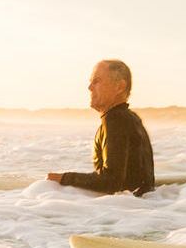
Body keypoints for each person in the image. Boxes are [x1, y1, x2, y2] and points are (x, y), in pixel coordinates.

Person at [48, 59, 156, 196]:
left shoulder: (116, 120)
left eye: (97, 81)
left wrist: (63, 178)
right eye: (91, 82)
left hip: (125, 210)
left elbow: (111, 182)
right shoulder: (130, 118)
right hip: (136, 208)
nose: (90, 87)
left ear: (120, 87)